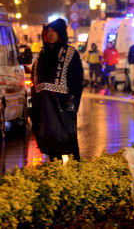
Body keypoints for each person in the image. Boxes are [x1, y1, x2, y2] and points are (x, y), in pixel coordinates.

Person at [32, 19, 84, 161]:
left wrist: (72, 104)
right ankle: (57, 174)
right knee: (51, 147)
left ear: (60, 33)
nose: (50, 34)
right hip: (45, 109)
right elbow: (35, 81)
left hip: (63, 107)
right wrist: (35, 104)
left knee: (68, 144)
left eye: (53, 31)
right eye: (48, 31)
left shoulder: (70, 53)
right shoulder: (41, 56)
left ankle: (76, 176)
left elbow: (77, 80)